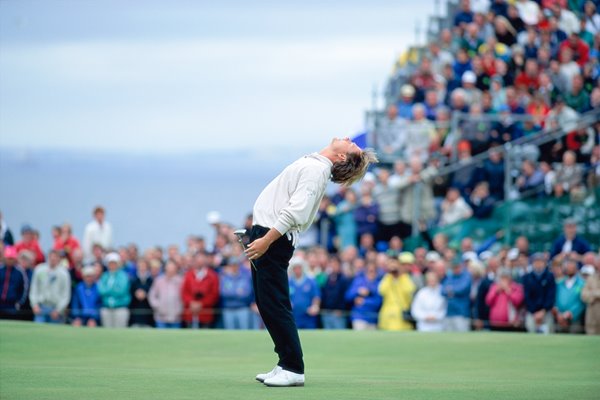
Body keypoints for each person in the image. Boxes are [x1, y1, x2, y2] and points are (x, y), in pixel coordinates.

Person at [246, 137, 376, 387]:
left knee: (275, 303)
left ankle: (293, 368)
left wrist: (266, 240)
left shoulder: (317, 170)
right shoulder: (315, 163)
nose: (348, 139)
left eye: (351, 147)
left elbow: (297, 211)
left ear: (340, 157)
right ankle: (285, 362)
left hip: (274, 238)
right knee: (266, 303)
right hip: (268, 235)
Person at [29, 250, 71, 324]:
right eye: (51, 257)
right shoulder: (39, 270)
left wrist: (58, 310)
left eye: (55, 257)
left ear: (59, 258)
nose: (53, 259)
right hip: (41, 307)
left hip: (55, 309)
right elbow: (34, 289)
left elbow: (66, 295)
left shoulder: (64, 274)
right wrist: (34, 305)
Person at [377, 255, 416, 331]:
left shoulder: (406, 278)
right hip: (387, 318)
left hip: (402, 320)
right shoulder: (387, 278)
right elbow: (382, 290)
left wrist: (401, 275)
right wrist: (390, 274)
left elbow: (409, 291)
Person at [181, 251, 219, 329]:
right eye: (198, 258)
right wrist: (191, 302)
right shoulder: (188, 275)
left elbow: (214, 294)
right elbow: (184, 292)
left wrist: (201, 304)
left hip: (206, 313)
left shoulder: (212, 275)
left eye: (202, 258)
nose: (199, 261)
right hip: (190, 312)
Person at [523, 253, 556, 334]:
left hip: (546, 311)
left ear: (544, 263)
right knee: (531, 329)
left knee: (549, 331)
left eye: (540, 261)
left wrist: (543, 311)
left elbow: (551, 296)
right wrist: (534, 312)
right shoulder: (527, 277)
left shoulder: (550, 277)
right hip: (532, 312)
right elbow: (527, 297)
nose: (538, 264)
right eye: (536, 261)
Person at [345, 262, 383, 330]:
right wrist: (358, 291)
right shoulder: (358, 281)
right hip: (359, 317)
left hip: (372, 318)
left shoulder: (378, 284)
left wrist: (364, 301)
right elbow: (348, 296)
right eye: (369, 271)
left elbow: (378, 302)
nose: (371, 273)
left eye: (373, 271)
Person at [97, 252, 131, 328]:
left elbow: (121, 290)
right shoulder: (105, 276)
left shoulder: (123, 276)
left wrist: (108, 290)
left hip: (120, 308)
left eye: (114, 263)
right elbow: (101, 290)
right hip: (106, 308)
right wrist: (112, 289)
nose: (112, 265)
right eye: (110, 263)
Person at [219, 257, 254, 330]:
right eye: (232, 265)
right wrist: (237, 292)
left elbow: (246, 293)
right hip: (228, 308)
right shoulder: (225, 278)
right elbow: (223, 293)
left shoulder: (245, 277)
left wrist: (232, 292)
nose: (234, 267)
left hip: (242, 308)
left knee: (244, 332)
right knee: (229, 333)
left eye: (235, 265)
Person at [553, 258, 586, 333]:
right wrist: (559, 314)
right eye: (568, 267)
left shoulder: (582, 284)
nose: (569, 269)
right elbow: (555, 299)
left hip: (575, 318)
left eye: (572, 267)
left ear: (576, 269)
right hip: (559, 318)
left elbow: (581, 302)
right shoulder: (559, 283)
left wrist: (570, 313)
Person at [148, 260, 184, 329]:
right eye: (169, 267)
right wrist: (158, 306)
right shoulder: (159, 280)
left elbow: (184, 296)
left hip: (176, 317)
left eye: (172, 268)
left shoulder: (181, 281)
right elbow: (152, 296)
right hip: (161, 317)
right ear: (165, 268)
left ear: (176, 269)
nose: (170, 270)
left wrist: (180, 308)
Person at [288, 257, 321, 330]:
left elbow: (316, 296)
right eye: (295, 268)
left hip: (308, 315)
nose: (297, 270)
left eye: (299, 267)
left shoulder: (311, 281)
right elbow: (285, 296)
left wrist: (315, 306)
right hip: (294, 315)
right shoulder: (289, 282)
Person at [320, 255, 350, 329]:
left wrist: (341, 309)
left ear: (339, 265)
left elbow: (345, 296)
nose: (333, 266)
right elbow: (323, 294)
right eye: (331, 264)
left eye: (335, 264)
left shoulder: (344, 279)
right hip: (326, 313)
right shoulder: (327, 278)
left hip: (338, 314)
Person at [442, 258, 472, 332]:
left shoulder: (466, 276)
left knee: (462, 337)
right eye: (454, 267)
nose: (456, 269)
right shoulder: (450, 277)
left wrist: (450, 290)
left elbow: (461, 289)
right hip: (449, 312)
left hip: (461, 313)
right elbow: (442, 291)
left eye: (457, 267)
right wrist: (452, 290)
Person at [0, 246, 28, 320]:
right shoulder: (0, 269)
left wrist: (19, 303)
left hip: (12, 305)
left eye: (11, 258)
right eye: (8, 258)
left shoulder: (20, 272)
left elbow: (24, 289)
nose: (9, 260)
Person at [129, 259, 154, 327]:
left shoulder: (151, 280)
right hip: (135, 314)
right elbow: (130, 293)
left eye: (144, 266)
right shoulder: (133, 280)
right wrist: (135, 293)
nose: (142, 268)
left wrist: (146, 294)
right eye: (140, 266)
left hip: (148, 315)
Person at [581, 255, 600, 335]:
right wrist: (596, 294)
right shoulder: (590, 278)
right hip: (592, 316)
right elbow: (584, 295)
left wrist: (593, 293)